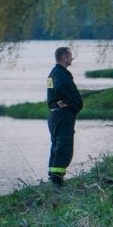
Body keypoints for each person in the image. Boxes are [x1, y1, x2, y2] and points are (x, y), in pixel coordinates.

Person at [46, 47, 83, 186]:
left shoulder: (54, 73)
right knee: (64, 146)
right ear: (65, 57)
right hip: (62, 116)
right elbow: (60, 88)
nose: (72, 58)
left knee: (56, 145)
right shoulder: (60, 74)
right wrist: (67, 101)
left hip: (56, 115)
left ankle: (54, 176)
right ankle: (57, 179)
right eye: (70, 56)